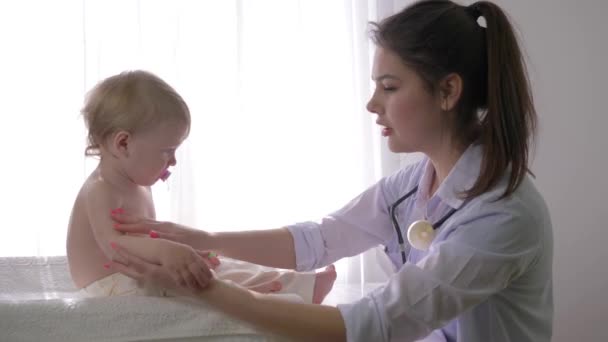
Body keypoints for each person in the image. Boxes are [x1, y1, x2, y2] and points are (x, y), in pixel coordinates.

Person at [109, 1, 553, 341]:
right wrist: (204, 239)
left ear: (448, 91)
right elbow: (320, 240)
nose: (372, 104)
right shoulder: (413, 184)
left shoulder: (502, 214)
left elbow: (367, 326)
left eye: (390, 87)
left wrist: (200, 289)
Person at [66, 70, 336, 303]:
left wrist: (181, 254)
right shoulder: (100, 189)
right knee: (196, 286)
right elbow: (115, 245)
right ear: (123, 144)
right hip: (108, 288)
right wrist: (167, 252)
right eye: (167, 150)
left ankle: (299, 286)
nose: (172, 160)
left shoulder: (137, 185)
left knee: (213, 265)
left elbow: (144, 242)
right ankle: (253, 296)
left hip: (133, 276)